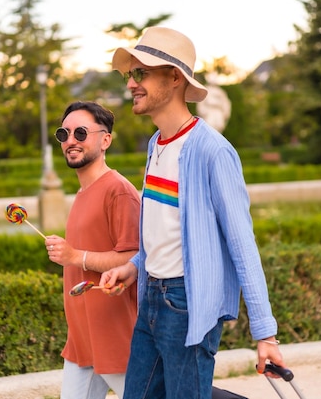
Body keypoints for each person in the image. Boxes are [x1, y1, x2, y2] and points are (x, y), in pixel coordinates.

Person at [101, 27, 286, 398]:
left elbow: (242, 244)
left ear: (173, 77)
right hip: (150, 296)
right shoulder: (156, 144)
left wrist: (265, 334)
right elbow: (164, 231)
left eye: (141, 74)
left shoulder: (212, 152)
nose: (131, 85)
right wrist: (133, 266)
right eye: (129, 75)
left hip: (185, 304)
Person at [44, 101, 140, 399]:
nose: (71, 141)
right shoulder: (84, 192)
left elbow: (134, 259)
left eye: (81, 133)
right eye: (64, 134)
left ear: (105, 139)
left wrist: (75, 257)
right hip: (82, 339)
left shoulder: (119, 191)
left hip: (116, 337)